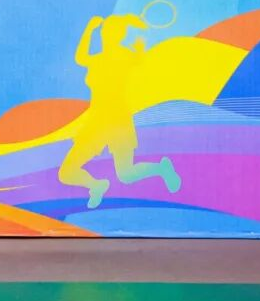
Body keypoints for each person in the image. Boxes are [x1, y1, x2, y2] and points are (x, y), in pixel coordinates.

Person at [59, 13, 181, 209]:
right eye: (105, 34)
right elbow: (80, 57)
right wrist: (90, 30)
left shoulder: (124, 56)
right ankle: (96, 185)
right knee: (66, 172)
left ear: (118, 35)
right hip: (97, 121)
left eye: (110, 33)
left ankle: (161, 169)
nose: (106, 37)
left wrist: (134, 39)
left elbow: (137, 58)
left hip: (117, 119)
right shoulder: (101, 59)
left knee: (125, 174)